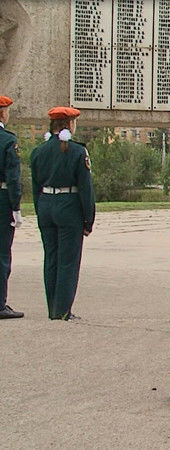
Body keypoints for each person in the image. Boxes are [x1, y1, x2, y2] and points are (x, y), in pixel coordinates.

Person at [30, 106, 95, 320]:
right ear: (70, 125)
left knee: (51, 259)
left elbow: (35, 187)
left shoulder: (38, 151)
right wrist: (88, 219)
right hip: (68, 207)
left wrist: (40, 211)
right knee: (68, 261)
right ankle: (63, 310)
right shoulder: (77, 151)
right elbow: (85, 188)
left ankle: (53, 308)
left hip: (46, 206)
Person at [0, 95, 23, 319]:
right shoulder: (7, 140)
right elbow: (13, 178)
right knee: (1, 254)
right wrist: (16, 207)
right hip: (2, 200)